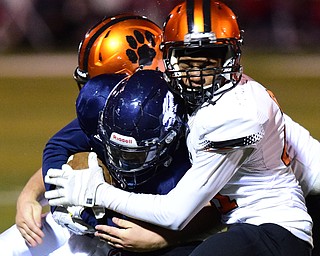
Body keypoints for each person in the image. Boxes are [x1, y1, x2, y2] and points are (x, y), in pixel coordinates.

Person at [45, 1, 315, 255]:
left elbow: (175, 213)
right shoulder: (186, 94)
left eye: (208, 62)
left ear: (230, 58)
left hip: (276, 228)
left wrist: (96, 192)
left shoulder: (237, 113)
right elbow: (79, 137)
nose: (196, 75)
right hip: (242, 227)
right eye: (186, 61)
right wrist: (38, 190)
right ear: (168, 57)